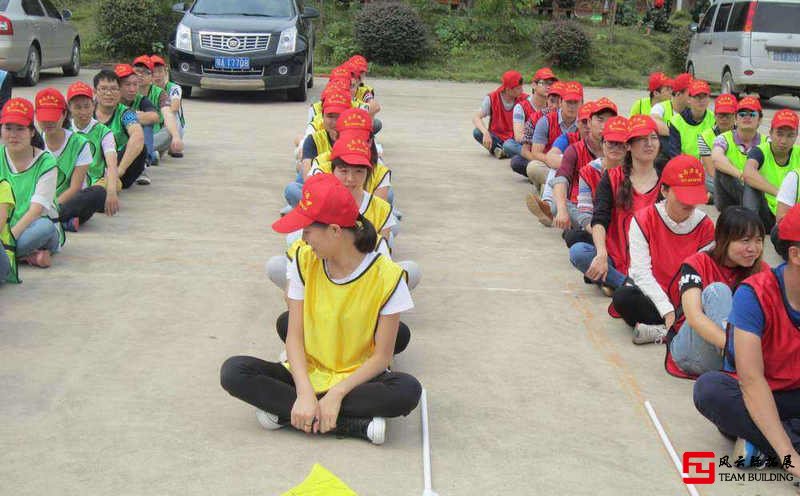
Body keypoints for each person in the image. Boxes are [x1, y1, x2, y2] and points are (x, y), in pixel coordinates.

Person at [221, 173, 422, 444]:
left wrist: (337, 394)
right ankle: (352, 425)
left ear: (335, 231)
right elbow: (294, 336)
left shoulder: (387, 276)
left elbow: (381, 358)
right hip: (307, 370)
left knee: (407, 391)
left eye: (307, 231)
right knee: (234, 371)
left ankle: (286, 414)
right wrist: (304, 392)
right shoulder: (304, 260)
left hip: (356, 379)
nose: (303, 239)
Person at [693, 204, 800, 476]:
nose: (752, 248)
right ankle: (785, 446)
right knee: (710, 389)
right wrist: (791, 459)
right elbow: (751, 380)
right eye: (744, 240)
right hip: (759, 392)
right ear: (795, 254)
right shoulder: (755, 294)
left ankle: (762, 442)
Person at [612, 155, 715, 344]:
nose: (689, 204)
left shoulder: (706, 226)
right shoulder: (644, 219)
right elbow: (641, 272)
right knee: (623, 297)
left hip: (688, 297)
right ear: (665, 191)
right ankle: (675, 329)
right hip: (654, 294)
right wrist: (666, 310)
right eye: (683, 196)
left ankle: (663, 331)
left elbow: (703, 276)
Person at [666, 207, 767, 378]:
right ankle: (737, 361)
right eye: (745, 240)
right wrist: (738, 351)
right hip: (691, 353)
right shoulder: (698, 263)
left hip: (736, 355)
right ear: (723, 239)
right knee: (718, 290)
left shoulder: (761, 271)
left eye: (758, 240)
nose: (753, 248)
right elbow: (694, 317)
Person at [568, 115, 661, 295]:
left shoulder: (666, 178)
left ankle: (614, 283)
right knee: (578, 250)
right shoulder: (611, 177)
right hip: (617, 253)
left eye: (653, 138)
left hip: (653, 257)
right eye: (642, 139)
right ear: (629, 146)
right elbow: (598, 219)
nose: (649, 144)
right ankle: (625, 284)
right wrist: (601, 254)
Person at [0, 98, 60, 268]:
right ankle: (27, 257)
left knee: (44, 228)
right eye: (8, 128)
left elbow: (36, 211)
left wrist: (9, 240)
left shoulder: (46, 162)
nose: (13, 135)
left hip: (33, 226)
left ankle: (11, 254)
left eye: (20, 129)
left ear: (32, 132)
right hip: (3, 226)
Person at [551, 98, 617, 231]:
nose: (604, 125)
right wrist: (562, 210)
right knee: (557, 205)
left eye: (609, 120)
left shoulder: (621, 150)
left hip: (611, 208)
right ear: (589, 122)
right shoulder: (574, 149)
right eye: (600, 119)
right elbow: (561, 178)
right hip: (580, 205)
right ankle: (591, 229)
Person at [34, 88, 94, 233]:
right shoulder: (33, 143)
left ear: (64, 114)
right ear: (36, 116)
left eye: (53, 117)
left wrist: (49, 207)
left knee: (96, 194)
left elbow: (75, 187)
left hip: (65, 201)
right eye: (44, 117)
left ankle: (49, 219)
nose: (48, 122)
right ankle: (60, 221)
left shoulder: (80, 143)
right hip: (37, 201)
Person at [563, 115, 629, 247]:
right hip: (599, 225)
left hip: (628, 229)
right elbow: (586, 214)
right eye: (611, 143)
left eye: (620, 144)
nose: (615, 148)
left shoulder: (635, 170)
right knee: (573, 239)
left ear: (628, 147)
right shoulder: (588, 172)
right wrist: (599, 235)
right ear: (602, 143)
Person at [284, 90, 351, 208]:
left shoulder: (356, 139)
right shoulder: (314, 139)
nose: (334, 122)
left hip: (350, 192)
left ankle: (305, 211)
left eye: (339, 116)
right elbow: (307, 176)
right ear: (322, 116)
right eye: (330, 116)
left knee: (388, 194)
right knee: (292, 189)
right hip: (320, 191)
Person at [66, 81, 121, 223]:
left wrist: (111, 192)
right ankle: (68, 219)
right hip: (67, 185)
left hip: (94, 185)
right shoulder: (64, 130)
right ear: (69, 108)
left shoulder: (104, 132)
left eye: (87, 106)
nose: (83, 112)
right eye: (78, 107)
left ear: (94, 105)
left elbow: (111, 164)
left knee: (101, 193)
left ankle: (64, 216)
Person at [742, 109, 800, 232]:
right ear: (771, 133)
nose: (784, 141)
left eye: (790, 135)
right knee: (750, 183)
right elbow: (748, 173)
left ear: (796, 136)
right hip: (766, 211)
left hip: (792, 216)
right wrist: (782, 194)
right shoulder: (760, 151)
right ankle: (749, 225)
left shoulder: (798, 153)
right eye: (779, 134)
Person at [524, 81, 582, 193]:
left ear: (582, 104)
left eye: (576, 103)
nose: (572, 107)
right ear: (560, 102)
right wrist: (554, 161)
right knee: (532, 167)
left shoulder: (585, 124)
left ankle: (549, 188)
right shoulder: (545, 121)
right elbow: (535, 153)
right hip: (550, 166)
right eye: (568, 102)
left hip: (576, 168)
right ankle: (563, 187)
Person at [93, 69, 147, 189]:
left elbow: (138, 136)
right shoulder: (87, 111)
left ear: (120, 92)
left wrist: (118, 171)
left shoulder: (125, 113)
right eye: (103, 89)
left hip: (118, 167)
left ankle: (110, 182)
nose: (108, 93)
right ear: (95, 91)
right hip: (91, 165)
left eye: (113, 89)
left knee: (141, 147)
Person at [711, 96, 766, 214]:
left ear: (760, 120)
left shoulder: (767, 142)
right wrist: (742, 175)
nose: (746, 117)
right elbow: (716, 158)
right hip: (732, 194)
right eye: (742, 114)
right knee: (721, 169)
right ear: (736, 118)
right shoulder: (724, 138)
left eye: (751, 114)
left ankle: (748, 215)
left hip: (759, 199)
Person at [132, 55, 182, 166]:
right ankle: (147, 154)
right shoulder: (126, 89)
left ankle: (145, 152)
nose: (140, 75)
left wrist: (176, 136)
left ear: (151, 76)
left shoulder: (161, 93)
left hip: (155, 135)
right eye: (137, 71)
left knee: (172, 126)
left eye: (145, 72)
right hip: (129, 135)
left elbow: (169, 113)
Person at [509, 81, 565, 178]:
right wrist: (546, 161)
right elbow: (525, 150)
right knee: (517, 161)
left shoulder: (574, 119)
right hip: (542, 160)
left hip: (565, 162)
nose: (555, 106)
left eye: (560, 102)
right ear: (547, 100)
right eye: (552, 101)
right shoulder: (535, 117)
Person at [472, 70, 525, 159]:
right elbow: (476, 117)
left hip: (514, 140)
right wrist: (485, 133)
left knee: (510, 145)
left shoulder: (524, 98)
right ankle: (505, 151)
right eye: (518, 88)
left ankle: (502, 151)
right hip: (497, 138)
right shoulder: (492, 98)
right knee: (477, 132)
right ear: (508, 90)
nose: (522, 90)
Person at [696, 94, 738, 198]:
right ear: (714, 116)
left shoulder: (744, 134)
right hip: (716, 178)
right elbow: (711, 171)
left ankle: (716, 197)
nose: (724, 119)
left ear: (735, 116)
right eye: (720, 115)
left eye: (728, 115)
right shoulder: (704, 137)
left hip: (739, 175)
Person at [512, 67, 557, 152]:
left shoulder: (554, 106)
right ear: (534, 85)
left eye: (551, 84)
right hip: (529, 144)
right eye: (543, 83)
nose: (548, 87)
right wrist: (539, 142)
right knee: (509, 144)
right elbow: (518, 136)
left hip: (548, 146)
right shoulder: (521, 107)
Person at [151, 55, 185, 158]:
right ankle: (153, 151)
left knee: (172, 116)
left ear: (166, 72)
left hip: (169, 126)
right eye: (154, 72)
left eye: (160, 71)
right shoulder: (146, 89)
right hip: (154, 128)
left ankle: (151, 149)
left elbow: (174, 107)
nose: (157, 75)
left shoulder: (174, 88)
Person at [650, 72, 692, 137]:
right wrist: (679, 135)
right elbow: (654, 121)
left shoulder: (695, 111)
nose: (694, 97)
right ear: (678, 94)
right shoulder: (660, 107)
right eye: (690, 94)